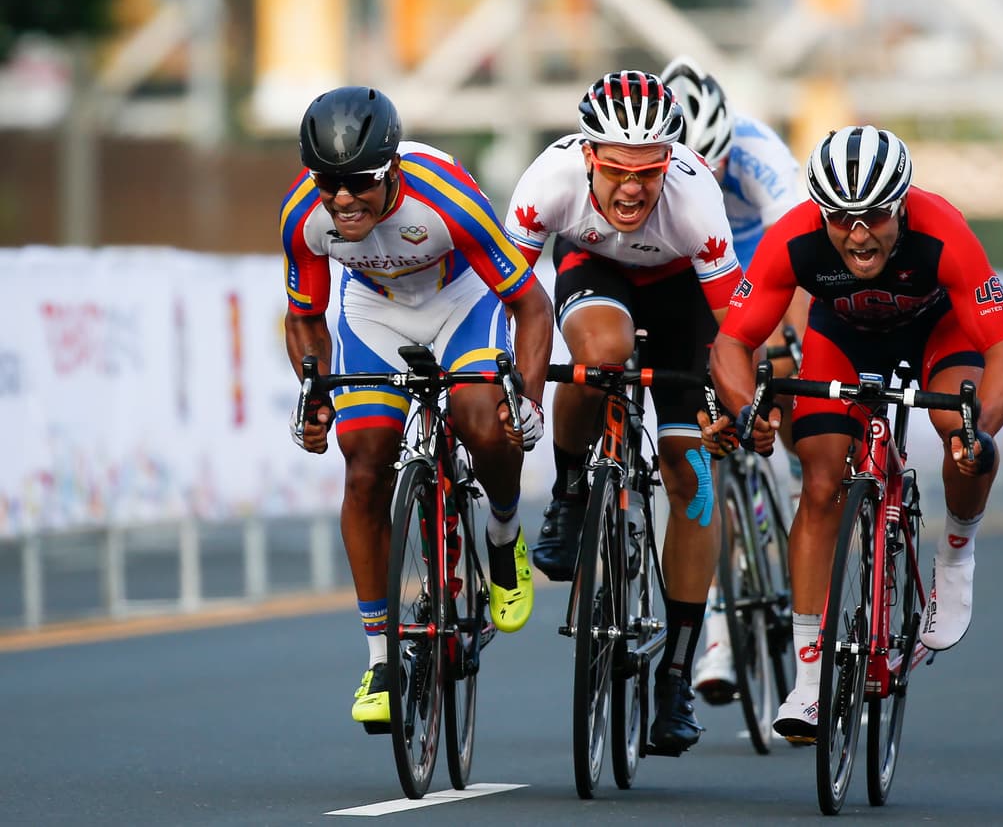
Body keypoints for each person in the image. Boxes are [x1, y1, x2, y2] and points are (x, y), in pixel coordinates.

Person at [703, 124, 1003, 742]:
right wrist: (747, 410)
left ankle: (957, 557)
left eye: (875, 217)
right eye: (841, 218)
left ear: (901, 206)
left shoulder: (944, 233)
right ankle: (807, 681)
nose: (858, 234)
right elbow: (732, 342)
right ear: (820, 212)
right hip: (843, 339)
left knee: (957, 431)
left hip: (938, 333)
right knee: (821, 481)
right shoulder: (794, 238)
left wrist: (978, 437)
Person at [282, 86, 553, 727]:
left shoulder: (447, 199)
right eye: (329, 183)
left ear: (393, 169)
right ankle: (380, 658)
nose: (343, 199)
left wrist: (530, 399)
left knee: (484, 420)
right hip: (375, 310)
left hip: (460, 298)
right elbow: (304, 318)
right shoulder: (303, 215)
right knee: (365, 460)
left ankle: (504, 532)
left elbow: (530, 304)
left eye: (361, 183)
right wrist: (315, 390)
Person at [503, 70, 743, 754]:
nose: (634, 188)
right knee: (599, 356)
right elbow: (510, 300)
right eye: (616, 171)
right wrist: (506, 386)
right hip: (596, 274)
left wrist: (727, 404)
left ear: (672, 160)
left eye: (650, 171)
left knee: (691, 478)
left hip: (682, 302)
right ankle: (572, 491)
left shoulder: (697, 199)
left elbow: (732, 327)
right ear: (588, 158)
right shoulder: (549, 180)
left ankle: (675, 676)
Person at [658, 55, 809, 707]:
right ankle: (713, 616)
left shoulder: (758, 153)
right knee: (693, 449)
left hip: (758, 269)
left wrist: (789, 352)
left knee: (789, 371)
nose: (704, 177)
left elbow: (805, 260)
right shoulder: (648, 170)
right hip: (688, 276)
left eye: (712, 164)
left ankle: (800, 485)